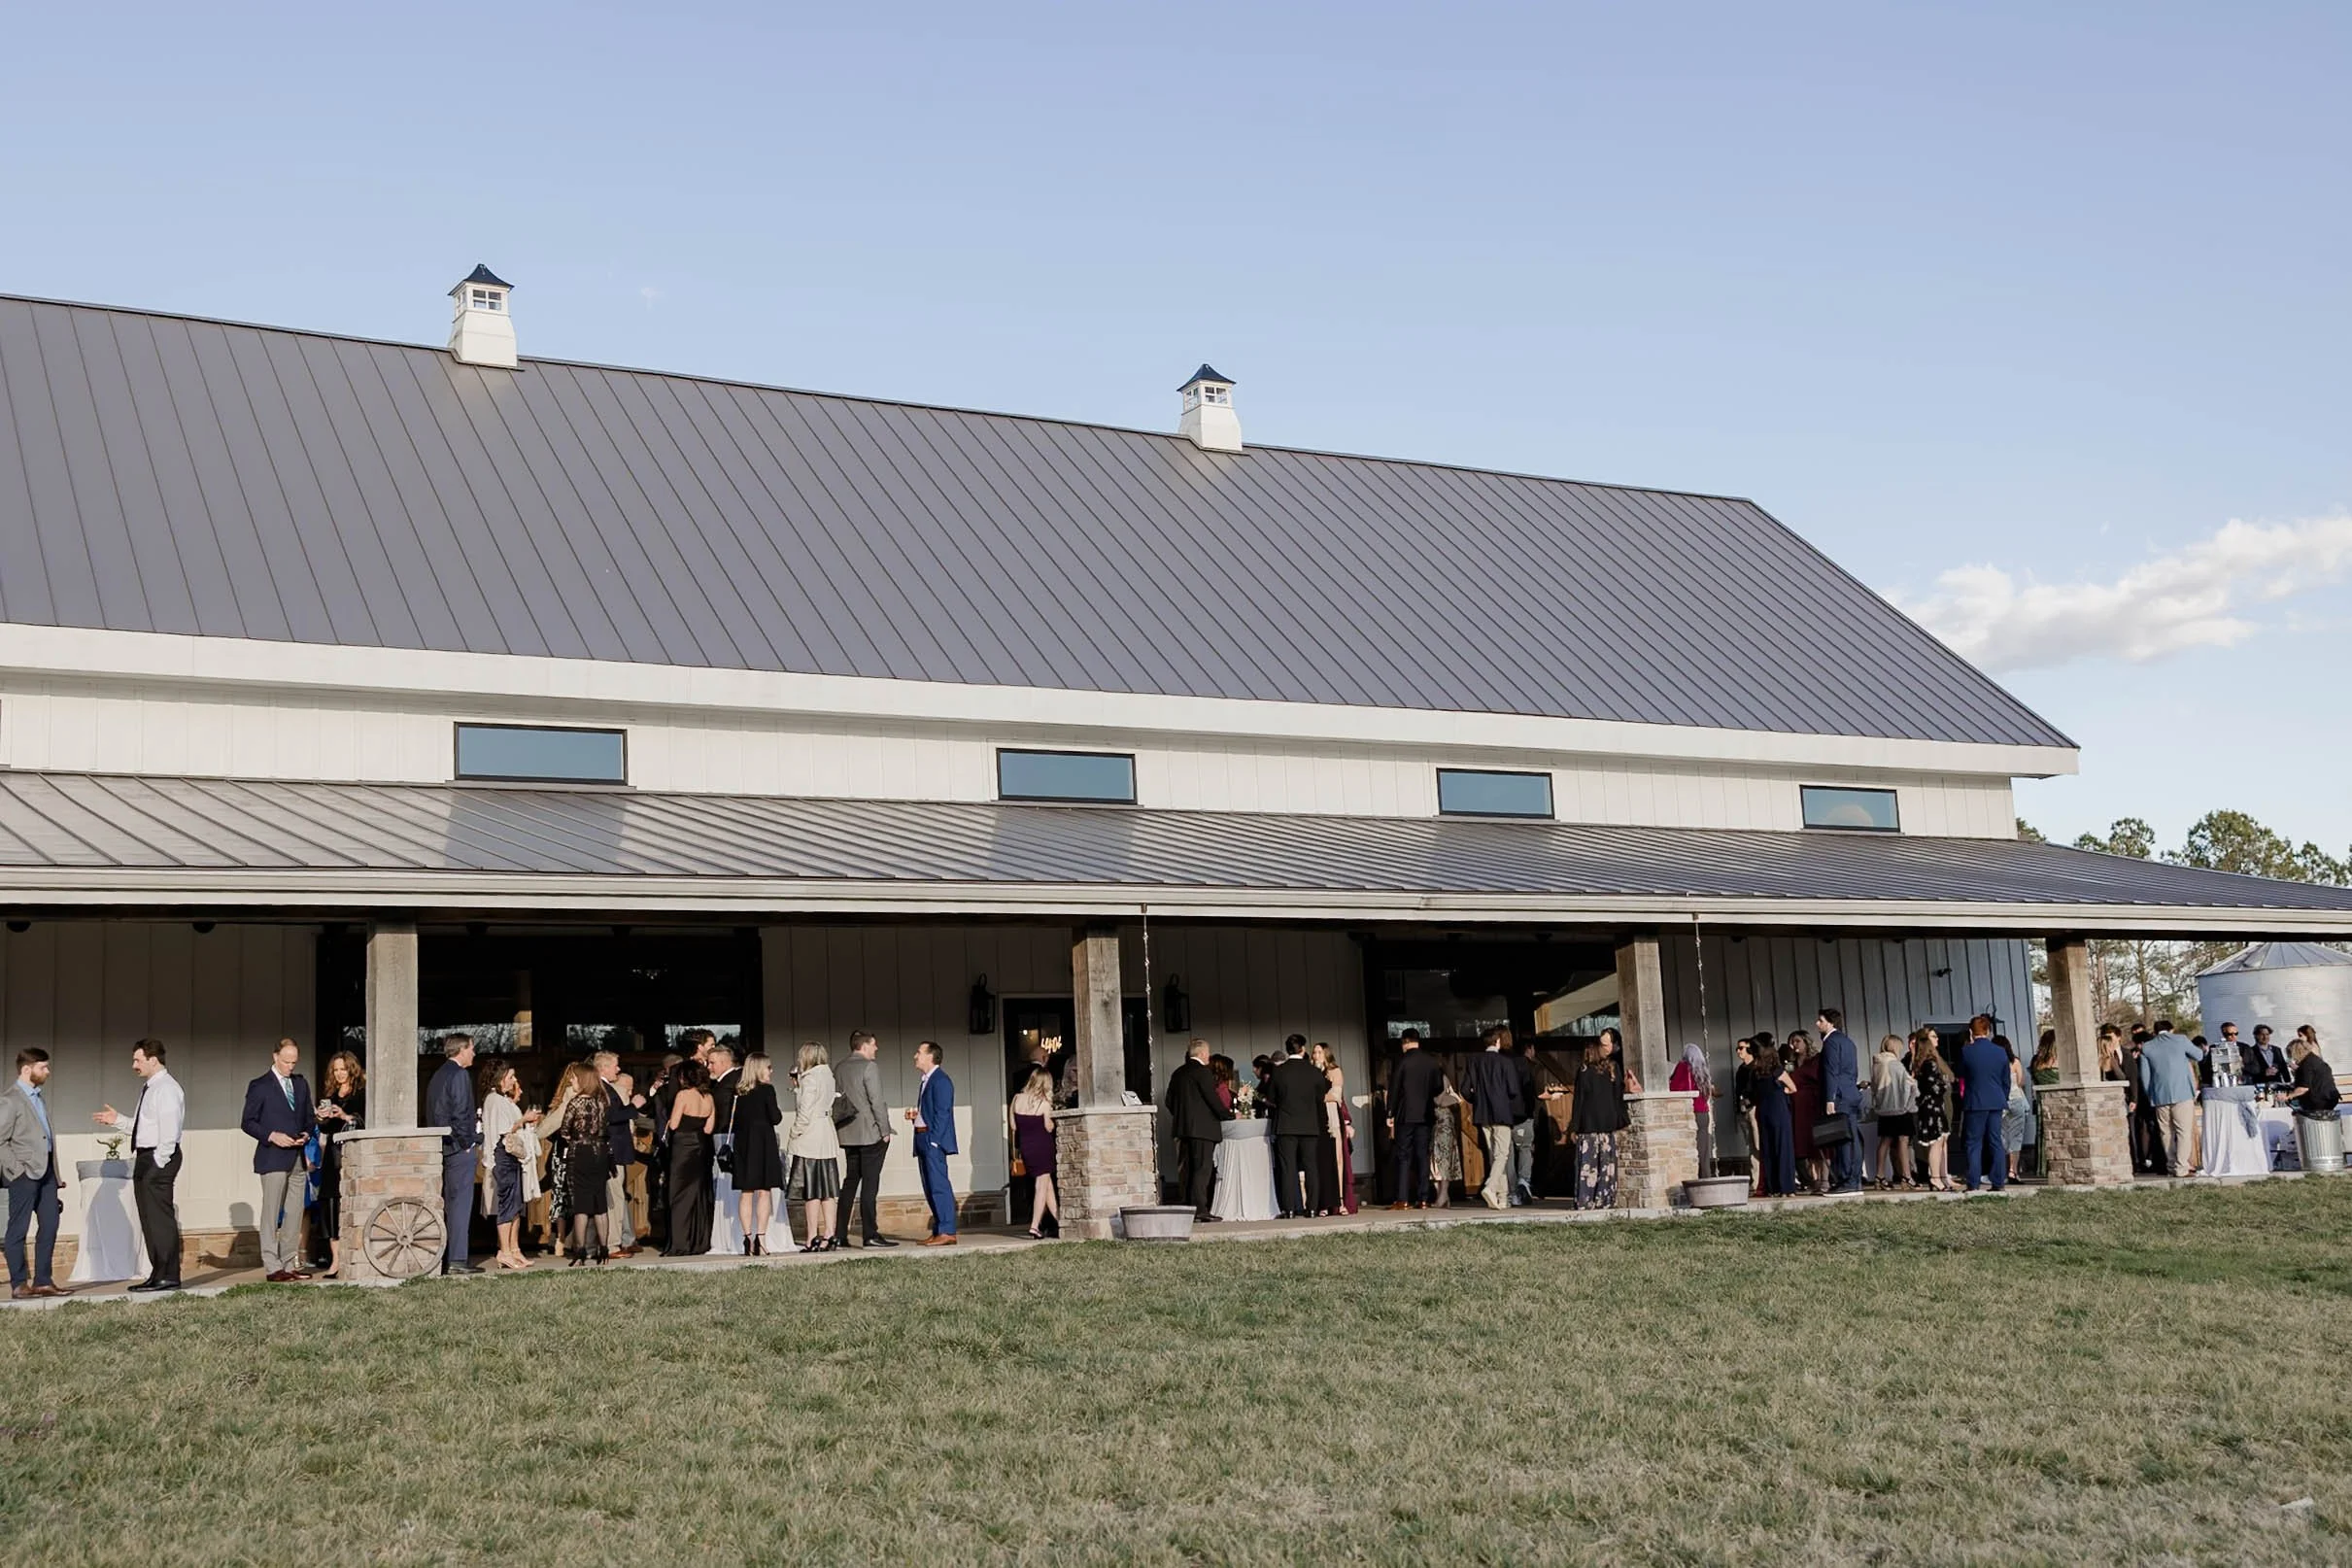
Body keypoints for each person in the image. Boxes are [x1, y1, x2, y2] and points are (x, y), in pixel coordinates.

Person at [95, 1039, 185, 1292]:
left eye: (138, 1060)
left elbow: (169, 1130)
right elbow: (144, 1127)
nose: (134, 1064)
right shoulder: (151, 1087)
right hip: (147, 1156)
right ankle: (158, 1274)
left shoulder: (166, 1088)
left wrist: (159, 1162)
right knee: (148, 1218)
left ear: (153, 1060)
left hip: (159, 1157)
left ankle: (169, 1275)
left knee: (159, 1219)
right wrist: (118, 1120)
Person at [237, 1038, 318, 1282]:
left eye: (294, 1062)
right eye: (286, 1061)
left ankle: (288, 1263)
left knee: (294, 1213)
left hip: (297, 1157)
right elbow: (248, 1122)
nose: (290, 1066)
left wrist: (305, 1133)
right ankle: (273, 1267)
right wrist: (272, 1136)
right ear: (275, 1057)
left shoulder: (301, 1084)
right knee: (272, 1213)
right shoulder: (259, 1086)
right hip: (272, 1157)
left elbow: (308, 1117)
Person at [1, 1048, 69, 1299]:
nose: (48, 1072)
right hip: (23, 1175)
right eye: (43, 1067)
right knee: (18, 1229)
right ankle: (19, 1284)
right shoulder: (10, 1100)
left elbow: (44, 1139)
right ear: (26, 1069)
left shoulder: (38, 1098)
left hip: (47, 1175)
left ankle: (43, 1281)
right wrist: (17, 1170)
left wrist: (56, 1174)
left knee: (50, 1224)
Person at [422, 1034, 481, 1275]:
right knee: (460, 1205)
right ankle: (457, 1259)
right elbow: (459, 1112)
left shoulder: (438, 1075)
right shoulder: (459, 1075)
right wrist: (468, 1142)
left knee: (451, 1203)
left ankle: (451, 1257)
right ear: (462, 1050)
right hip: (457, 1148)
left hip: (444, 1146)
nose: (474, 1054)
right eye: (472, 1049)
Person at [832, 1031, 895, 1248]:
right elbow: (876, 1101)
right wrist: (885, 1130)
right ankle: (870, 1234)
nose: (876, 1048)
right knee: (870, 1183)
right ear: (864, 1045)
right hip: (870, 1132)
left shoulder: (839, 1067)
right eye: (874, 1044)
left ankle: (840, 1233)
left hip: (848, 1132)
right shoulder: (869, 1067)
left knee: (849, 1183)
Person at [310, 1050, 364, 1278]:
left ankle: (355, 1256)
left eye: (343, 1069)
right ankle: (336, 1261)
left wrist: (344, 1116)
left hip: (353, 1153)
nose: (340, 1074)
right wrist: (322, 1117)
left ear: (351, 1069)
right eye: (336, 1070)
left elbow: (365, 1122)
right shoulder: (331, 1094)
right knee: (331, 1204)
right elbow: (324, 1129)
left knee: (351, 1201)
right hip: (332, 1153)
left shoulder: (362, 1093)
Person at [477, 1058, 534, 1271]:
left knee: (515, 1204)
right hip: (503, 1155)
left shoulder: (499, 1099)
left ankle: (513, 1249)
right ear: (500, 1078)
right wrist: (523, 1120)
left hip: (510, 1157)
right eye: (510, 1076)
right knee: (507, 1204)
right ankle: (505, 1251)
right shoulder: (495, 1100)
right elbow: (504, 1130)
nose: (513, 1080)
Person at [552, 1063, 611, 1266]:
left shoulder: (575, 1103)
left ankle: (580, 1251)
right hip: (600, 1153)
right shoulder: (602, 1102)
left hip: (581, 1153)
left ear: (582, 1080)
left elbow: (565, 1130)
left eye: (574, 1078)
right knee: (600, 1204)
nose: (571, 1080)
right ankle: (604, 1250)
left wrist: (576, 1138)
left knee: (581, 1205)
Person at [1167, 1039, 1229, 1221]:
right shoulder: (1203, 1073)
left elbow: (1169, 1101)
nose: (1209, 1055)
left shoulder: (1178, 1073)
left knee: (1186, 1169)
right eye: (1207, 1052)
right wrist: (1227, 1115)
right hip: (1203, 1130)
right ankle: (1200, 1209)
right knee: (1202, 1169)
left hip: (1182, 1129)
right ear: (1202, 1054)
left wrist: (1181, 1116)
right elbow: (1212, 1099)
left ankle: (1186, 1207)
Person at [1267, 1035, 1329, 1217]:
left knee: (1288, 1168)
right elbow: (1320, 1098)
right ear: (1302, 1049)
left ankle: (1290, 1209)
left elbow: (1271, 1097)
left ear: (1287, 1050)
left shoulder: (1279, 1072)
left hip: (1286, 1125)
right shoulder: (1314, 1072)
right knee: (1311, 1167)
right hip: (1310, 1125)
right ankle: (1312, 1208)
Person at [732, 1052, 786, 1254]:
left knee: (746, 1192)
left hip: (744, 1143)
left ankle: (747, 1238)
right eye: (769, 1067)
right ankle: (761, 1239)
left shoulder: (739, 1092)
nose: (771, 1071)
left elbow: (735, 1120)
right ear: (759, 1068)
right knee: (764, 1191)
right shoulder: (767, 1090)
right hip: (763, 1142)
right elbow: (775, 1117)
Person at [1463, 1026, 1522, 1210]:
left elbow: (1465, 1090)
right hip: (1502, 1113)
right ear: (1497, 1042)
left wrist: (1478, 1099)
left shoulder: (1474, 1062)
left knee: (1494, 1156)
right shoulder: (1505, 1063)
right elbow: (1513, 1090)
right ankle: (1490, 1187)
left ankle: (1502, 1197)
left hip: (1482, 1114)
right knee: (1502, 1154)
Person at [906, 1040, 959, 1245]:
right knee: (929, 1186)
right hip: (921, 1136)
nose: (915, 1056)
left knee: (939, 1185)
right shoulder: (926, 1080)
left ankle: (947, 1230)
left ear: (930, 1056)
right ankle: (938, 1229)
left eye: (919, 1052)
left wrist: (935, 1141)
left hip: (932, 1139)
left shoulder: (941, 1080)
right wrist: (916, 1118)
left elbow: (943, 1113)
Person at [1385, 1028, 1444, 1210]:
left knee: (1404, 1155)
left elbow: (1394, 1089)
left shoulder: (1402, 1062)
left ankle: (1402, 1199)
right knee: (1422, 1155)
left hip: (1406, 1113)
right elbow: (1438, 1087)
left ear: (1404, 1042)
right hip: (1425, 1113)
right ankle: (1423, 1198)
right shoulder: (1431, 1062)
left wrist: (1390, 1113)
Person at [2137, 1019, 2204, 1178]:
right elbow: (2199, 1055)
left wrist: (2151, 1095)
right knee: (2183, 1131)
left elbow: (2145, 1077)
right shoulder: (2180, 1040)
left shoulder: (2147, 1047)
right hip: (2182, 1093)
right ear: (2171, 1029)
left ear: (2154, 1032)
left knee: (2165, 1132)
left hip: (2160, 1095)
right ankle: (2181, 1167)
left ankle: (2171, 1165)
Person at [664, 1060, 716, 1256]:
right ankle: (698, 1242)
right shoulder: (709, 1097)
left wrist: (669, 1122)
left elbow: (675, 1124)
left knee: (678, 1194)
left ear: (685, 1077)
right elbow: (709, 1128)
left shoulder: (683, 1095)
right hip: (701, 1147)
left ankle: (679, 1243)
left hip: (683, 1148)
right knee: (697, 1195)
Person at [1569, 1040, 1628, 1209]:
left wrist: (1574, 1126)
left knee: (1588, 1164)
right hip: (1607, 1125)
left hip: (1588, 1125)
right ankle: (1605, 1199)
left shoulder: (1584, 1071)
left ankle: (1586, 1200)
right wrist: (1621, 1119)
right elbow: (1619, 1095)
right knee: (1607, 1164)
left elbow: (1579, 1100)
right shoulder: (1612, 1069)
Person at [594, 1051, 642, 1257]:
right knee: (614, 1198)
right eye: (615, 1065)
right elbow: (611, 1117)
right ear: (603, 1068)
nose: (618, 1069)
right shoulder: (603, 1089)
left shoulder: (605, 1087)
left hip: (614, 1150)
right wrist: (634, 1107)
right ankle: (612, 1244)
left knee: (614, 1196)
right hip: (613, 1150)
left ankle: (612, 1242)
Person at [1955, 1015, 2010, 1193]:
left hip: (1975, 1101)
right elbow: (2006, 1080)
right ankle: (1998, 1181)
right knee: (1995, 1141)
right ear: (1988, 1031)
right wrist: (2003, 1098)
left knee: (1974, 1143)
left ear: (1971, 1032)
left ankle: (1973, 1183)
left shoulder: (1967, 1051)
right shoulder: (2000, 1052)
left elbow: (1960, 1073)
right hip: (1996, 1100)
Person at [1816, 1009, 1862, 1195]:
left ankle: (1848, 1179)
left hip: (1840, 1095)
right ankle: (1850, 1179)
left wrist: (1830, 1098)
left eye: (1820, 1020)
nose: (1817, 1024)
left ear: (1830, 1023)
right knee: (1850, 1137)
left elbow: (1831, 1071)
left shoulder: (1831, 1042)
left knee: (1843, 1138)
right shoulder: (1848, 1042)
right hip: (1850, 1091)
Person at [1010, 1067, 1060, 1239]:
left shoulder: (1017, 1099)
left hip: (1026, 1147)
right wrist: (1052, 1124)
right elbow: (1048, 1126)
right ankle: (1034, 1226)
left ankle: (1059, 1222)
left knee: (1048, 1188)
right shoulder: (1044, 1104)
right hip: (1043, 1147)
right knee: (1041, 1187)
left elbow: (1014, 1126)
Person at [1750, 1034, 1798, 1197]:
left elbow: (1752, 1094)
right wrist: (1782, 1092)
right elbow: (1793, 1088)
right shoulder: (1777, 1070)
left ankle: (1772, 1187)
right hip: (1778, 1109)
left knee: (1768, 1147)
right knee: (1782, 1146)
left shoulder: (1755, 1071)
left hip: (1763, 1110)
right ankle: (1787, 1187)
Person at [1911, 1029, 1956, 1192]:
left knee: (1939, 1141)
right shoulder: (1930, 1063)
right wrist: (1943, 1085)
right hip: (1932, 1107)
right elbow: (1933, 1086)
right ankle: (1935, 1178)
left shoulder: (1920, 1063)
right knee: (1935, 1143)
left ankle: (1940, 1177)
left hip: (1931, 1106)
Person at [1870, 1035, 1916, 1189]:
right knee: (1903, 1141)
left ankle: (1879, 1176)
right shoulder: (1896, 1064)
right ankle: (1906, 1176)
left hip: (1883, 1108)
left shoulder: (1877, 1063)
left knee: (1885, 1141)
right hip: (1899, 1107)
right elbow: (1909, 1084)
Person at [1670, 1042, 1715, 1178]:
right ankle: (1705, 1176)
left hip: (1690, 1112)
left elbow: (1675, 1088)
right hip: (1704, 1112)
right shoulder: (1703, 1071)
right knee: (1704, 1148)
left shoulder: (1683, 1067)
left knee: (1690, 1148)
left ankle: (1693, 1177)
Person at [1789, 1032, 1824, 1194]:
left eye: (1797, 1041)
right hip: (1797, 1106)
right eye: (1792, 1042)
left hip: (1812, 1103)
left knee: (1816, 1141)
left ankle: (1822, 1178)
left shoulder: (1815, 1060)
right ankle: (1812, 1178)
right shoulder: (1792, 1063)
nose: (1795, 1045)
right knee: (1803, 1144)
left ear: (1806, 1042)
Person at [1507, 1038, 1540, 1205]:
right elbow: (1533, 1091)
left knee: (1509, 1152)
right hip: (1524, 1114)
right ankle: (1524, 1181)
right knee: (1525, 1148)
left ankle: (1512, 1191)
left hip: (1506, 1116)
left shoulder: (1505, 1063)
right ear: (1529, 1049)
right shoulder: (1528, 1066)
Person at [1734, 1039, 1766, 1195]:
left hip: (1754, 1109)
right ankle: (1756, 1180)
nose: (1739, 1051)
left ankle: (1763, 1180)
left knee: (1759, 1145)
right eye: (1737, 1048)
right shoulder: (1741, 1069)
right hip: (1743, 1111)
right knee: (1751, 1147)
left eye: (1742, 1048)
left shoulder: (1756, 1067)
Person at [2281, 1037, 2340, 1121]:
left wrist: (2287, 1096)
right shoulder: (2315, 1060)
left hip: (2318, 1100)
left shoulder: (2306, 1065)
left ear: (2296, 1053)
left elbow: (2303, 1088)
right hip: (2329, 1097)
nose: (2292, 1058)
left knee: (2315, 1124)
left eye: (2291, 1055)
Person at [1430, 1068, 1464, 1209]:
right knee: (1433, 1162)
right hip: (1434, 1124)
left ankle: (1443, 1194)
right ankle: (1442, 1195)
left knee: (1443, 1159)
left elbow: (1439, 1100)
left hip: (1443, 1124)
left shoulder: (1441, 1078)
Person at [2242, 1025, 2291, 1089]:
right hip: (2260, 1086)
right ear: (2256, 1036)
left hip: (2277, 1086)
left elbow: (2283, 1067)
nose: (2265, 1037)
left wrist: (2288, 1083)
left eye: (2267, 1034)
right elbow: (2246, 1071)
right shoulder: (2250, 1051)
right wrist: (2263, 1073)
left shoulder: (2277, 1050)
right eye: (2262, 1034)